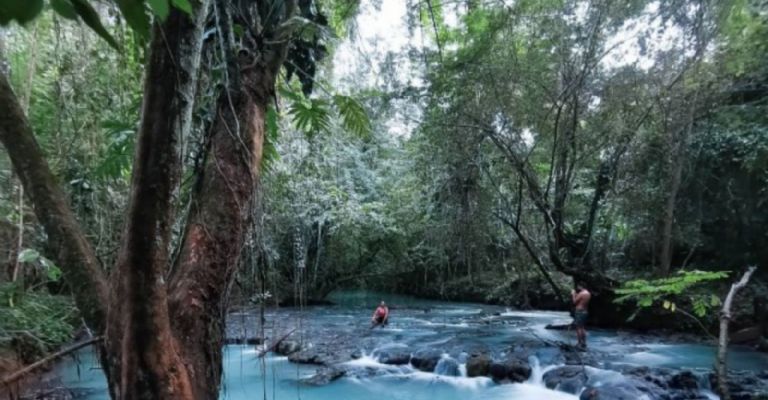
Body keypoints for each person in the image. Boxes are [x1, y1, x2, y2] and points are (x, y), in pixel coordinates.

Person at [571, 283, 591, 349]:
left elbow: (574, 302)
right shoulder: (588, 293)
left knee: (578, 328)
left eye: (578, 286)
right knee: (582, 327)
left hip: (579, 311)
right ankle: (584, 343)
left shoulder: (581, 293)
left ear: (581, 286)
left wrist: (573, 294)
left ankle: (579, 343)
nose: (577, 287)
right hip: (585, 311)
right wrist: (577, 295)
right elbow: (581, 300)